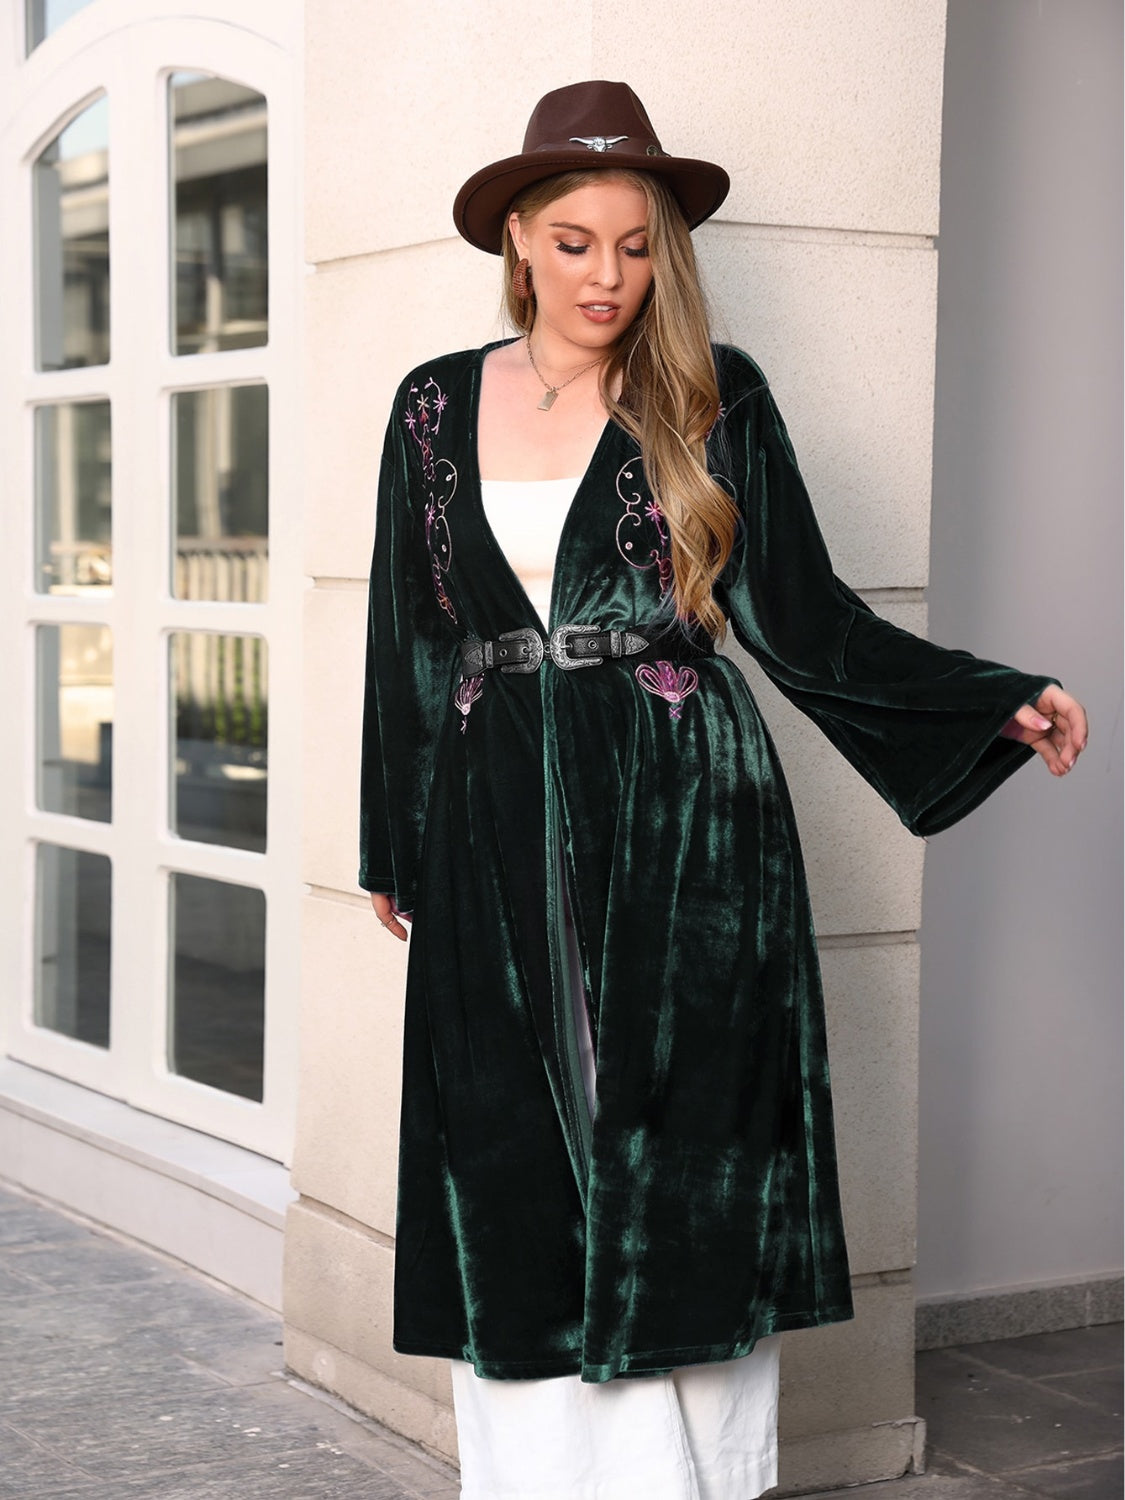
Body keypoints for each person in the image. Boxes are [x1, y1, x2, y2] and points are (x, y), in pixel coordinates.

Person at [358, 81, 1087, 1500]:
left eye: (637, 247)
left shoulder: (713, 393)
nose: (607, 277)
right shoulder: (432, 404)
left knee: (679, 1136)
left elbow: (806, 618)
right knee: (511, 1141)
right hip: (494, 809)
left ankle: (692, 1479)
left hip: (683, 808)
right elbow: (408, 636)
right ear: (519, 240)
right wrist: (397, 836)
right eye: (576, 243)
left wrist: (984, 697)